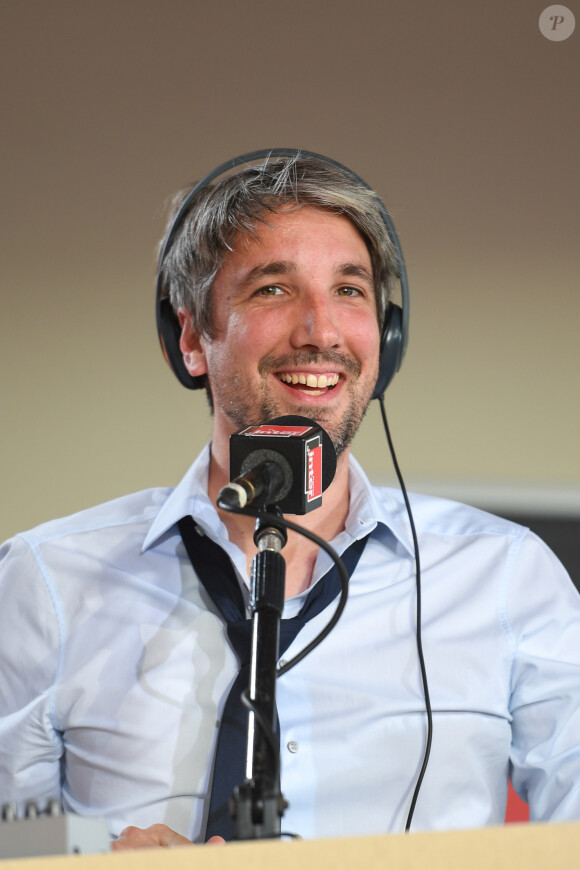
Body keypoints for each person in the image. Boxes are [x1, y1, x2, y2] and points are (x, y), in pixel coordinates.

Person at [0, 153, 579, 852]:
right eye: (274, 289)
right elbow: (11, 838)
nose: (321, 331)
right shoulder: (43, 579)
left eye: (349, 290)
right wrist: (94, 856)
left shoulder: (505, 575)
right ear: (189, 338)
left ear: (386, 340)